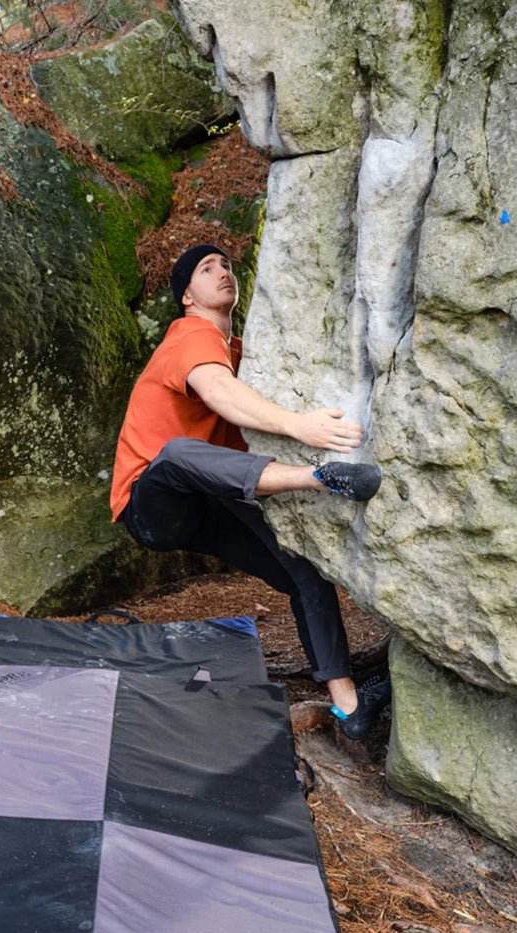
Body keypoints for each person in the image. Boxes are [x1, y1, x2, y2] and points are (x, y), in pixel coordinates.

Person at [110, 243, 390, 738]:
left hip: (214, 495)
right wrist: (300, 427)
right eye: (206, 268)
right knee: (174, 453)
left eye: (226, 265)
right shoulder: (188, 335)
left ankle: (349, 709)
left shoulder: (238, 351)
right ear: (187, 298)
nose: (223, 271)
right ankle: (318, 478)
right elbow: (219, 392)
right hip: (152, 502)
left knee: (302, 571)